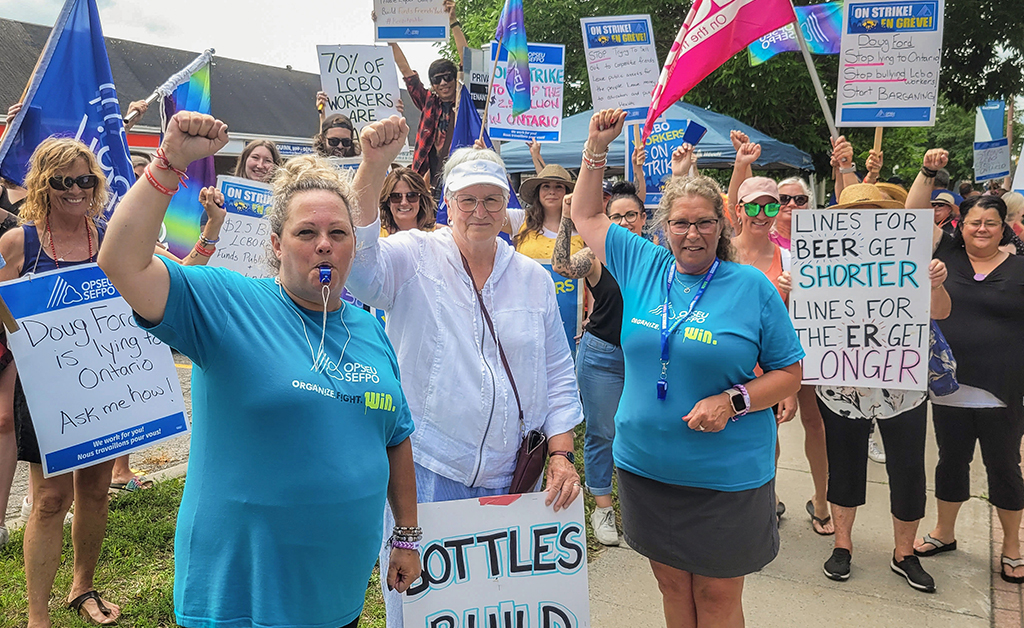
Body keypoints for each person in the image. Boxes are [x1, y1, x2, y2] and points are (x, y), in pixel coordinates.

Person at [98, 111, 421, 628]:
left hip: (335, 591)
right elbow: (122, 263)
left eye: (338, 232)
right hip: (241, 595)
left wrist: (406, 535)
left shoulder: (368, 329)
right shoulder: (227, 302)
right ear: (275, 244)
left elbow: (396, 433)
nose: (324, 244)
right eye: (306, 231)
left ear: (352, 246)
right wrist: (170, 160)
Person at [345, 116, 584, 627]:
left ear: (506, 208)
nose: (480, 211)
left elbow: (559, 373)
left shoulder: (531, 279)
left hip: (513, 475)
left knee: (498, 608)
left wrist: (562, 455)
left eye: (492, 200)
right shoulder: (413, 255)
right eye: (467, 199)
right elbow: (360, 268)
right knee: (423, 606)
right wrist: (372, 165)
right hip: (428, 472)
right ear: (448, 203)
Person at [571, 109, 804, 626]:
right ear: (665, 226)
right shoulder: (643, 264)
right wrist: (595, 148)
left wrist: (733, 400)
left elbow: (789, 373)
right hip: (646, 468)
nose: (691, 233)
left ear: (722, 224)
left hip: (725, 476)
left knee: (719, 600)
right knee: (672, 588)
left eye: (703, 222)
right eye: (680, 222)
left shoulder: (751, 286)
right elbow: (587, 216)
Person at [0, 137, 121, 626]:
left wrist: (211, 233)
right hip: (47, 389)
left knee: (94, 491)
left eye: (85, 179)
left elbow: (171, 276)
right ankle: (36, 616)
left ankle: (83, 586)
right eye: (63, 180)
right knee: (51, 499)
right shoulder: (18, 242)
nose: (76, 189)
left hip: (107, 384)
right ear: (43, 185)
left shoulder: (112, 236)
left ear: (97, 184)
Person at [817, 181, 951, 594]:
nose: (866, 223)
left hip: (902, 385)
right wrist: (790, 291)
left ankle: (904, 552)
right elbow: (805, 321)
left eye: (877, 214)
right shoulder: (825, 264)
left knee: (909, 468)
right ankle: (842, 545)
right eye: (856, 216)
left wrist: (935, 284)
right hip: (841, 383)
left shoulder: (915, 262)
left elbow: (941, 312)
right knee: (844, 464)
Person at [915, 191, 1024, 585]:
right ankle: (945, 532)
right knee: (950, 460)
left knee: (1004, 465)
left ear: (1004, 228)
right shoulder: (945, 259)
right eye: (975, 222)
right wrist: (927, 176)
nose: (982, 229)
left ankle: (1012, 546)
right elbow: (912, 214)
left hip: (1003, 389)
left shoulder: (1020, 269)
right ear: (961, 226)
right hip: (950, 387)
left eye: (991, 223)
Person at [552, 181, 645, 546]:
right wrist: (565, 219)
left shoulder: (656, 257)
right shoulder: (595, 257)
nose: (623, 223)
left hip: (644, 358)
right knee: (601, 433)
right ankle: (603, 507)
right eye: (615, 216)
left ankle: (638, 506)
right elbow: (561, 265)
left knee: (638, 431)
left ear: (642, 219)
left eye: (631, 215)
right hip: (602, 357)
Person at [388, 0, 467, 192]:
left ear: (455, 78)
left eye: (448, 77)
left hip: (459, 176)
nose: (443, 83)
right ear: (432, 84)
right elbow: (406, 71)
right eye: (437, 80)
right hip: (426, 180)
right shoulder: (428, 102)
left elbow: (467, 59)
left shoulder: (466, 100)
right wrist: (388, 36)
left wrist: (453, 21)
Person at [379, 166, 435, 235]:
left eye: (411, 196)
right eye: (396, 197)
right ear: (387, 201)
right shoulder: (375, 237)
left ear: (421, 200)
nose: (404, 203)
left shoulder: (438, 236)